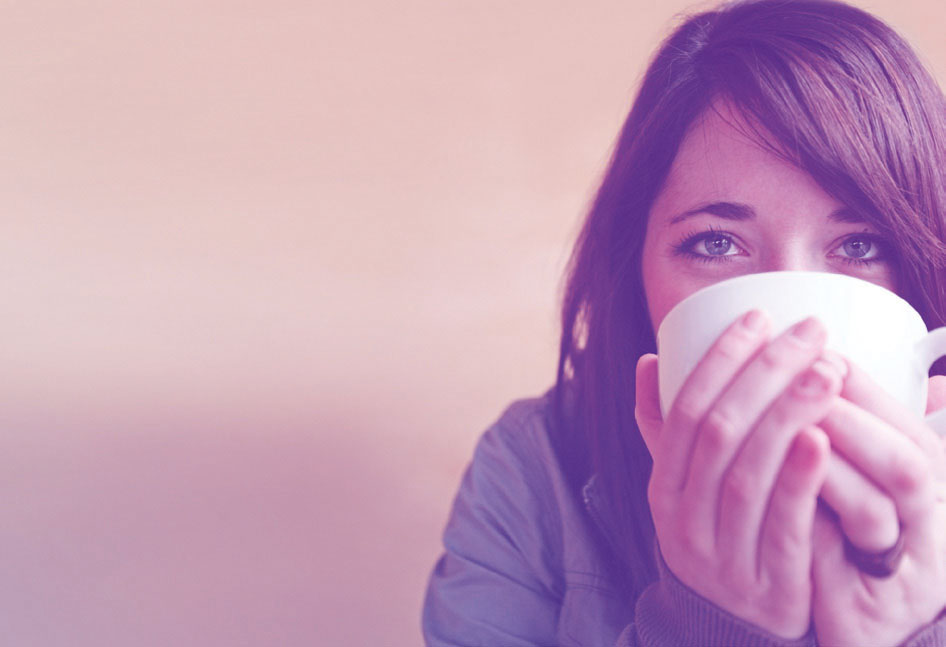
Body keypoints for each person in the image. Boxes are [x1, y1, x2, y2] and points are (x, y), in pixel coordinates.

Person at [422, 0, 946, 644]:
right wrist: (706, 625)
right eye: (716, 243)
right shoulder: (534, 468)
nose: (785, 323)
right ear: (634, 265)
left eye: (861, 246)